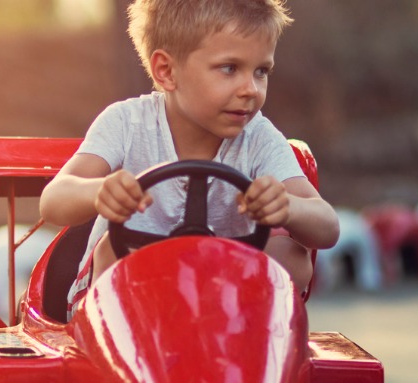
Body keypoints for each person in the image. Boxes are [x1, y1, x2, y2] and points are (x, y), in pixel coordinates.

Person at [37, 0, 338, 303]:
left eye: (261, 71)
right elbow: (53, 201)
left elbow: (327, 226)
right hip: (117, 317)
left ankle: (250, 339)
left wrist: (287, 207)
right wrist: (99, 192)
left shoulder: (259, 137)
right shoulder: (126, 123)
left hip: (220, 309)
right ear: (166, 71)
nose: (251, 89)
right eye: (229, 68)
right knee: (113, 249)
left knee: (292, 254)